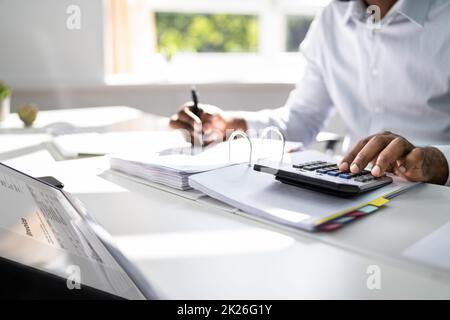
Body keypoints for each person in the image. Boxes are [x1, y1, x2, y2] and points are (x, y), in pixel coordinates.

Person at [169, 0, 450, 186]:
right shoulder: (332, 20)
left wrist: (439, 161)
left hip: (435, 196)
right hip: (353, 188)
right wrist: (229, 126)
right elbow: (303, 119)